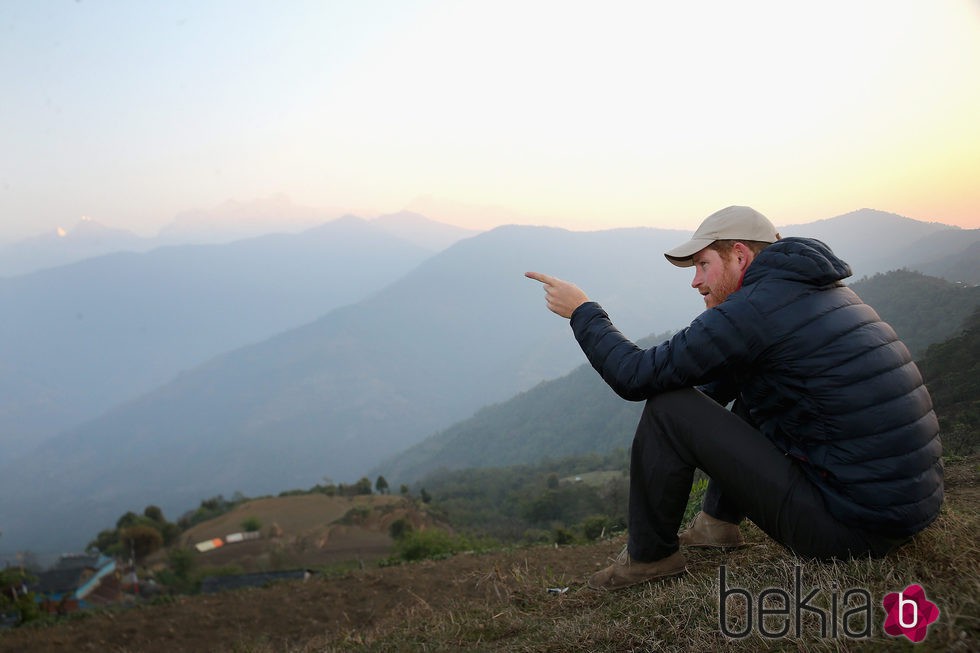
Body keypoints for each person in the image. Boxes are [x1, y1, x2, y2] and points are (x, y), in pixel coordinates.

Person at [525, 205, 943, 591]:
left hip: (851, 529)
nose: (695, 280)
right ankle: (717, 524)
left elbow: (635, 377)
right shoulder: (817, 294)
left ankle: (650, 559)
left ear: (740, 256)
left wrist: (583, 311)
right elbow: (714, 395)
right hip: (901, 511)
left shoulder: (754, 310)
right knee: (748, 385)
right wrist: (694, 429)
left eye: (703, 264)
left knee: (668, 408)